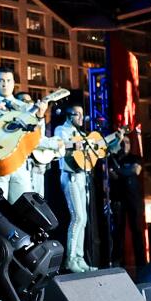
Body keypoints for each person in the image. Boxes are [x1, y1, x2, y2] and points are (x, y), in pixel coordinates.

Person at [0, 67, 50, 203]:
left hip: (19, 163)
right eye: (1, 80)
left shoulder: (24, 107)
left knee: (23, 208)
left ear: (14, 83)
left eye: (8, 80)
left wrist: (41, 116)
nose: (5, 84)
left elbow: (37, 138)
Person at [51, 102, 98, 274]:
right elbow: (59, 145)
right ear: (69, 115)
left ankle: (79, 257)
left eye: (81, 114)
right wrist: (73, 145)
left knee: (83, 219)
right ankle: (70, 259)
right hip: (69, 175)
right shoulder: (61, 130)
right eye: (77, 114)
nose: (80, 117)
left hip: (81, 176)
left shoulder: (82, 134)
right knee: (77, 216)